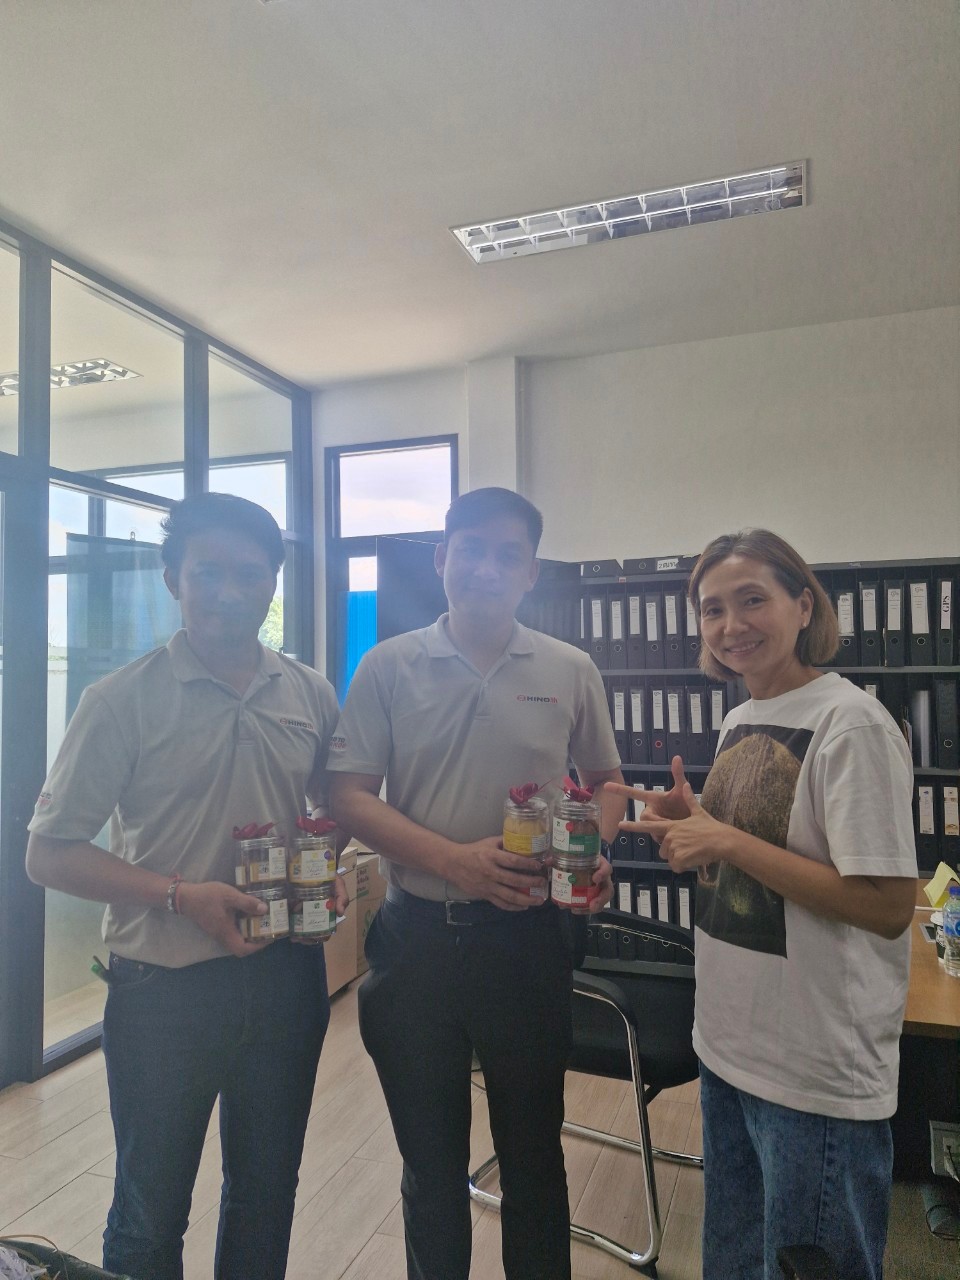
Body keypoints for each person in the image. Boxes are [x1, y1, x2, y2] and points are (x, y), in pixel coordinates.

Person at [26, 493, 346, 1280]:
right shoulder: (119, 700)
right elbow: (49, 855)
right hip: (162, 990)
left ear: (273, 583)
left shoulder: (308, 692)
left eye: (250, 574)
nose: (229, 592)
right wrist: (180, 894)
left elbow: (334, 806)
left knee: (267, 1190)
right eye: (208, 573)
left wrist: (323, 871)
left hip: (286, 976)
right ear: (173, 579)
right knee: (150, 1209)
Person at [328, 486, 625, 1280]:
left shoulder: (569, 668)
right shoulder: (388, 665)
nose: (487, 568)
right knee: (429, 1167)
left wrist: (593, 846)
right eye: (471, 550)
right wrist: (452, 860)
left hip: (526, 943)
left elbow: (606, 782)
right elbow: (348, 795)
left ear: (531, 572)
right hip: (416, 945)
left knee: (534, 1158)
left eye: (507, 555)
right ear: (441, 559)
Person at [610, 529, 917, 1280]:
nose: (731, 625)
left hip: (812, 1071)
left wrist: (728, 840)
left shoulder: (851, 723)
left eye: (753, 600)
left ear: (803, 605)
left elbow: (887, 906)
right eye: (712, 609)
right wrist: (694, 830)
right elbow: (747, 868)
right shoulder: (740, 717)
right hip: (728, 1046)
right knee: (735, 1261)